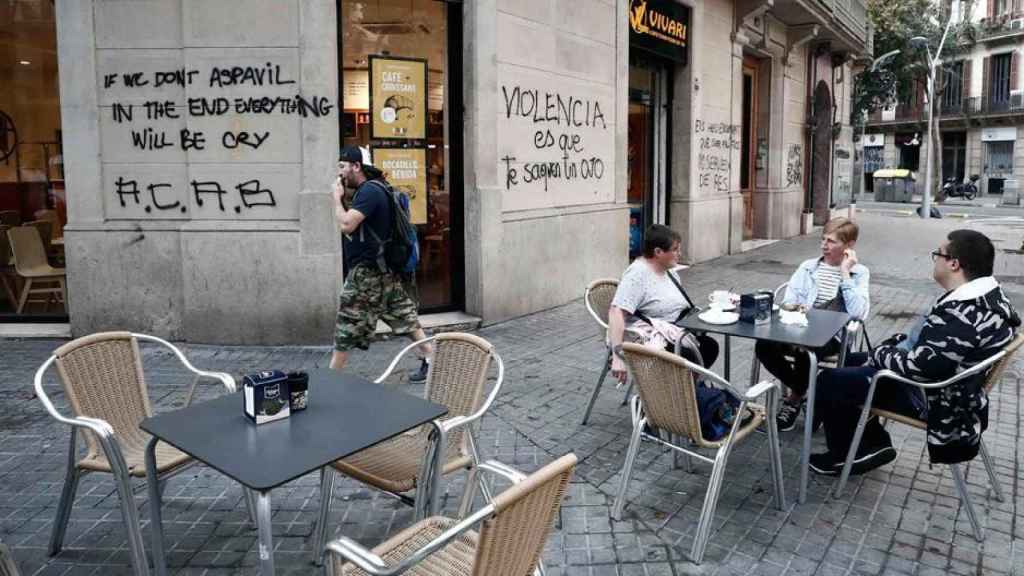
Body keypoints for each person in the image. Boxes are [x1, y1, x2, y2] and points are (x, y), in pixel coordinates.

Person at [809, 230, 1020, 476]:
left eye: (937, 255)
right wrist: (889, 349)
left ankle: (848, 454)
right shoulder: (987, 298)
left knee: (829, 380)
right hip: (948, 385)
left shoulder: (965, 314)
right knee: (848, 363)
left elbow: (922, 368)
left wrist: (881, 354)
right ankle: (870, 441)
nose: (935, 260)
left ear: (954, 263)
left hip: (934, 397)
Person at [754, 217, 870, 431]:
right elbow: (789, 299)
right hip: (797, 327)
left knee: (805, 350)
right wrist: (796, 308)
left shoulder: (859, 273)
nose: (824, 246)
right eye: (823, 239)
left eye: (832, 241)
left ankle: (793, 400)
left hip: (833, 337)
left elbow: (858, 313)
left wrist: (845, 273)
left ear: (849, 246)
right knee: (763, 345)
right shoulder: (808, 267)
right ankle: (806, 392)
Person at [330, 145, 432, 382]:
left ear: (357, 166)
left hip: (367, 275)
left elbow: (346, 224)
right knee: (403, 316)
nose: (340, 173)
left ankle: (331, 378)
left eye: (343, 167)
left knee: (347, 324)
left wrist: (335, 199)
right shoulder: (376, 189)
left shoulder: (369, 192)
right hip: (382, 272)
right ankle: (430, 356)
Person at [608, 224, 719, 384]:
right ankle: (672, 397)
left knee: (709, 347)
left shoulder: (669, 271)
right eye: (675, 249)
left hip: (678, 331)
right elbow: (616, 312)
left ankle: (686, 392)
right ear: (658, 252)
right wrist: (617, 355)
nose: (679, 254)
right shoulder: (637, 274)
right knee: (697, 353)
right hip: (656, 340)